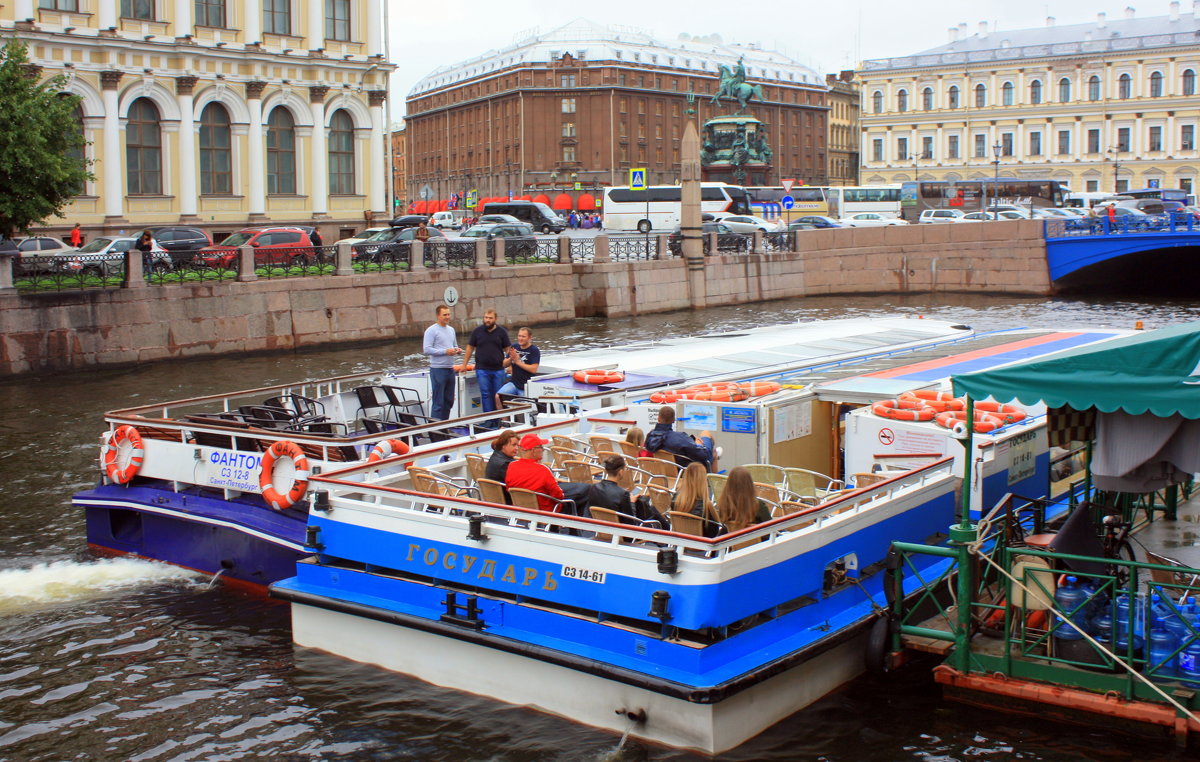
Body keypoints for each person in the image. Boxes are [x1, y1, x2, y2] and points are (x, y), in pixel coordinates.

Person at [461, 309, 511, 414]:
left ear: (495, 319)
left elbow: (508, 349)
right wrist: (464, 364)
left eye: (490, 318)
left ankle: (499, 419)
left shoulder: (502, 332)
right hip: (482, 369)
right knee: (485, 394)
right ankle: (489, 419)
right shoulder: (477, 331)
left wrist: (511, 364)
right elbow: (470, 348)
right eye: (486, 318)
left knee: (498, 395)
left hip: (498, 370)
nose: (487, 320)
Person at [504, 433, 566, 512]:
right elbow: (559, 496)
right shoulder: (543, 470)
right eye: (541, 447)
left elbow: (509, 488)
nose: (543, 450)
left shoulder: (511, 466)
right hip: (546, 513)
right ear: (533, 451)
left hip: (520, 511)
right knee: (574, 500)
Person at [644, 406, 716, 471]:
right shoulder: (680, 438)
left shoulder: (650, 437)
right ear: (673, 420)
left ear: (658, 418)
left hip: (663, 472)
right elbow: (703, 455)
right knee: (707, 436)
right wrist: (699, 445)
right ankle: (713, 483)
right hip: (684, 472)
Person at [423, 304, 462, 420]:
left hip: (450, 369)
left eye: (449, 314)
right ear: (438, 316)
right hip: (437, 369)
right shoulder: (431, 330)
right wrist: (445, 352)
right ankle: (435, 429)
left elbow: (454, 345)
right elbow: (427, 349)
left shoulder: (451, 330)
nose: (447, 317)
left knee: (449, 400)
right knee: (438, 402)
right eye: (444, 315)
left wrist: (457, 350)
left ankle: (444, 425)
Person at [716, 465, 772, 533]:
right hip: (757, 543)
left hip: (732, 542)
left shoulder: (723, 505)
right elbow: (771, 528)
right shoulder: (758, 506)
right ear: (750, 484)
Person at [673, 462, 719, 537]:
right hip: (703, 546)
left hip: (680, 544)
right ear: (703, 481)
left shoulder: (675, 501)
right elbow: (714, 534)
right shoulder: (706, 508)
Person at [498, 326, 540, 396]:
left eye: (523, 337)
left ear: (530, 338)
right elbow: (504, 364)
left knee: (524, 405)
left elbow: (533, 369)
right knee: (498, 396)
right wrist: (511, 358)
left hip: (526, 385)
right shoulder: (514, 346)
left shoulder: (534, 350)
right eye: (519, 336)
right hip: (514, 383)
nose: (520, 339)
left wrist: (517, 361)